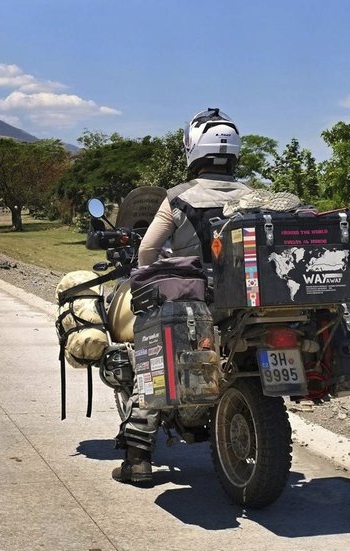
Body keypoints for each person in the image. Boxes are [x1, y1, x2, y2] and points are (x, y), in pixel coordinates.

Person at [112, 108, 252, 485]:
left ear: (193, 149)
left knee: (152, 357)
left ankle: (138, 460)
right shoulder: (255, 196)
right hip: (248, 304)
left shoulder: (178, 198)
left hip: (198, 302)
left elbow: (146, 252)